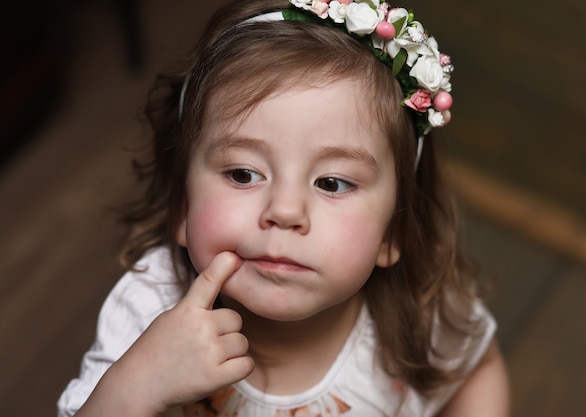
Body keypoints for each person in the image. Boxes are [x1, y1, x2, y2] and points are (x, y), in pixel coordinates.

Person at [58, 0, 509, 416]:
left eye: (332, 183)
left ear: (392, 233)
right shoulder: (151, 308)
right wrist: (136, 385)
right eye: (242, 174)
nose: (285, 210)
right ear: (182, 207)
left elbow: (476, 370)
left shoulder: (421, 314)